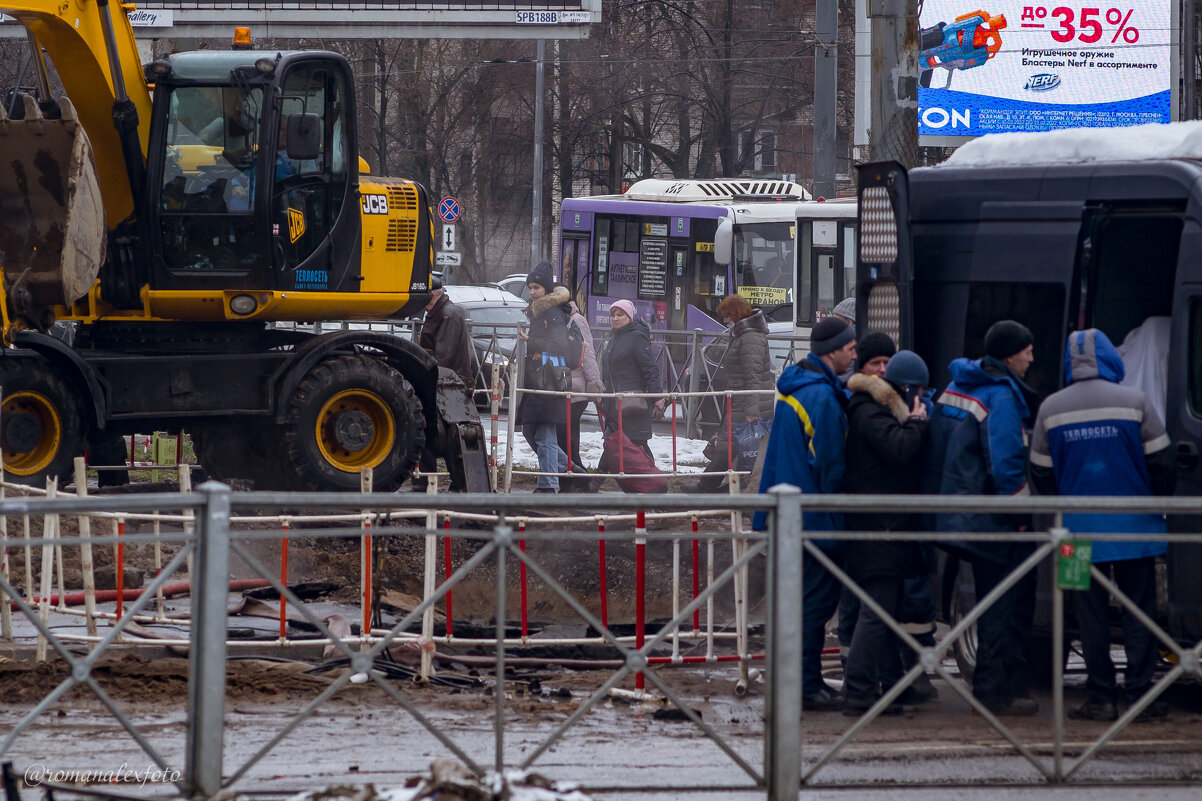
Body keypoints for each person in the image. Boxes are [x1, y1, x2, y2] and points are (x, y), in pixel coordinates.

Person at [1028, 328, 1176, 722]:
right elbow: (1162, 463)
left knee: (1087, 615)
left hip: (1075, 537)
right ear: (1111, 357)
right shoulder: (1136, 402)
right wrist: (1154, 499)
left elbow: (1041, 474)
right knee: (1137, 613)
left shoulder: (1050, 409)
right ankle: (1141, 697)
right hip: (1134, 533)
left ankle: (1100, 698)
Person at [926, 319, 1042, 716]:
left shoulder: (957, 386)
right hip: (990, 518)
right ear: (1009, 355)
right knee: (1004, 602)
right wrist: (1022, 513)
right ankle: (996, 692)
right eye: (1027, 349)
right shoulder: (1001, 396)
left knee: (988, 598)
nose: (1032, 356)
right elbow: (1007, 463)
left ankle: (995, 685)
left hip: (954, 512)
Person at [755, 315, 857, 711]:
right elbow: (830, 464)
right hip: (813, 517)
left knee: (799, 602)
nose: (854, 353)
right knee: (815, 605)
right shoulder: (821, 399)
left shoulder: (798, 389)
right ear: (832, 352)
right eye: (850, 348)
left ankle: (800, 680)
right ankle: (804, 685)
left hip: (788, 514)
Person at [841, 350, 933, 714]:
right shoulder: (870, 412)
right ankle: (859, 692)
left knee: (884, 613)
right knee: (877, 613)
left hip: (884, 529)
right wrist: (918, 423)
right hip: (879, 530)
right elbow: (898, 450)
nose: (922, 399)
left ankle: (885, 688)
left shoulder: (875, 410)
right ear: (909, 388)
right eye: (919, 392)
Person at [695, 294, 775, 493]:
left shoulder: (750, 337)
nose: (725, 321)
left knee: (730, 447)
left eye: (728, 316)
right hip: (740, 400)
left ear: (737, 314)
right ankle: (716, 488)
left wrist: (752, 410)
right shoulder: (744, 333)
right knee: (728, 446)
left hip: (746, 403)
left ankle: (712, 488)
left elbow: (753, 375)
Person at [409, 273, 474, 491]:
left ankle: (432, 482)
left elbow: (443, 355)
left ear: (433, 296)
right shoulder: (441, 312)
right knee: (444, 434)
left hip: (449, 382)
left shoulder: (447, 315)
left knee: (441, 433)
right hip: (447, 381)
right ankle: (451, 482)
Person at [517, 261, 572, 494]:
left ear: (547, 290)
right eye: (530, 288)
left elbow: (560, 346)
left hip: (548, 378)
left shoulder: (551, 312)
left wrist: (531, 341)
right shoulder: (539, 311)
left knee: (544, 434)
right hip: (537, 378)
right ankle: (572, 472)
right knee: (531, 431)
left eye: (536, 288)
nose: (532, 292)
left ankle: (548, 484)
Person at [600, 299, 665, 466]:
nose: (615, 318)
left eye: (620, 315)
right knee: (613, 440)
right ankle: (650, 480)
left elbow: (649, 368)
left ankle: (653, 480)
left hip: (633, 402)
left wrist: (657, 396)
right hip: (615, 401)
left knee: (637, 442)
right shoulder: (613, 337)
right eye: (612, 315)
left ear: (629, 316)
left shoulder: (636, 336)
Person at [557, 300, 604, 492]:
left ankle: (578, 480)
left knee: (567, 437)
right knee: (565, 437)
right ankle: (574, 480)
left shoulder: (576, 319)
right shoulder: (560, 319)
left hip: (576, 388)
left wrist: (594, 383)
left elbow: (588, 353)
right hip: (564, 386)